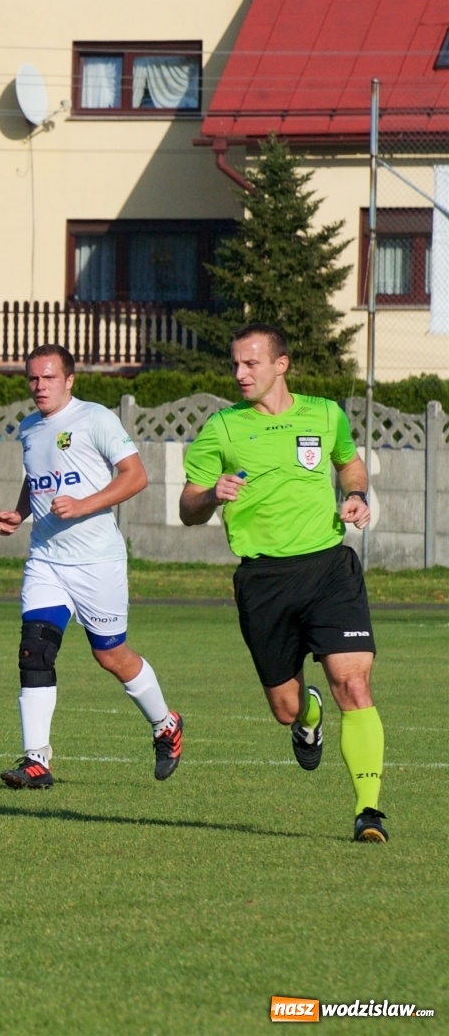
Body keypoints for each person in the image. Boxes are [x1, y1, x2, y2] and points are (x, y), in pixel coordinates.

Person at [179, 324, 387, 842]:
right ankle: (306, 714)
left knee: (355, 684)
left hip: (328, 569)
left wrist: (357, 493)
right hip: (263, 580)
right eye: (235, 364)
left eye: (250, 363)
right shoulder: (222, 428)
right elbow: (187, 507)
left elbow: (349, 462)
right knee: (285, 707)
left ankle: (369, 810)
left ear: (281, 365)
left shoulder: (324, 413)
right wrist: (210, 497)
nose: (239, 373)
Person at [0, 344, 182, 789]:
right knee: (34, 649)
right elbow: (38, 476)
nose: (39, 386)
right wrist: (21, 512)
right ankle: (36, 759)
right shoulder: (29, 428)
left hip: (97, 561)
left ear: (69, 380)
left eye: (49, 377)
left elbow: (136, 476)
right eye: (33, 379)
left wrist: (84, 505)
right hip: (47, 559)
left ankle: (165, 724)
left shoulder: (95, 418)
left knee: (111, 655)